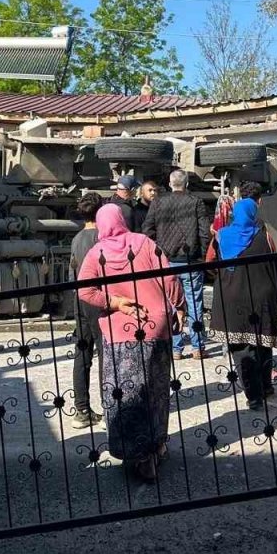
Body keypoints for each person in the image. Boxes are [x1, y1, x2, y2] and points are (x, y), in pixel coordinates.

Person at [76, 204, 185, 483]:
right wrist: (180, 307)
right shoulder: (144, 243)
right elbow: (169, 276)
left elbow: (84, 290)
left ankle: (137, 455)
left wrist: (115, 303)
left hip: (118, 333)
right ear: (122, 221)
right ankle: (157, 445)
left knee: (126, 394)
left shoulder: (96, 253)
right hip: (155, 327)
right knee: (156, 390)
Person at [207, 198, 277, 411]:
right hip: (262, 298)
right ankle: (266, 387)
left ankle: (254, 395)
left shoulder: (221, 237)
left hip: (231, 299)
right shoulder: (265, 236)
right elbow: (275, 262)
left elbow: (210, 264)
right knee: (263, 344)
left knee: (240, 350)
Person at [142, 170, 211, 360]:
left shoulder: (158, 202)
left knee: (172, 304)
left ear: (170, 184)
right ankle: (198, 347)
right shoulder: (196, 202)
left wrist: (159, 250)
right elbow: (204, 232)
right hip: (190, 261)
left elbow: (147, 230)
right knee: (194, 303)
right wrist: (203, 255)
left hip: (167, 261)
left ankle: (176, 348)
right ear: (186, 183)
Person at [68, 193, 104, 429]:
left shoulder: (77, 238)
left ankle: (81, 409)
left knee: (82, 353)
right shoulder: (102, 238)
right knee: (106, 354)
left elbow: (73, 271)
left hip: (79, 299)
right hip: (99, 299)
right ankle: (111, 407)